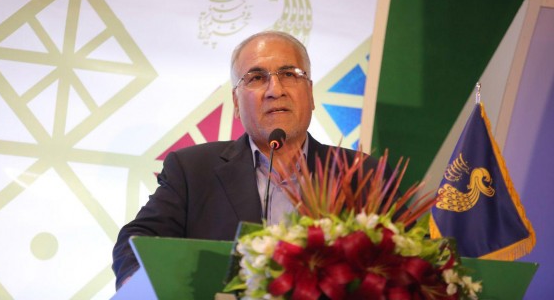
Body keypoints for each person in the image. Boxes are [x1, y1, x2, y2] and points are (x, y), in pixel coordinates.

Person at [112, 31, 383, 289]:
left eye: (289, 74)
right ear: (236, 102)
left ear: (310, 93)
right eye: (256, 78)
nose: (275, 90)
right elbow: (136, 241)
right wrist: (139, 286)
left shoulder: (361, 172)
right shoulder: (193, 170)